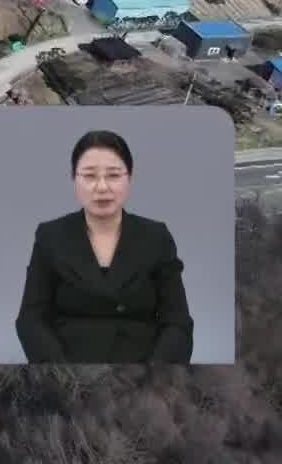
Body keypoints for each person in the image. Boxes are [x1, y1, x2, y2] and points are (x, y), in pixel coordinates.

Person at [15, 130, 193, 363]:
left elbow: (178, 322)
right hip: (70, 372)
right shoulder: (51, 236)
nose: (101, 187)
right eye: (89, 176)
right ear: (73, 179)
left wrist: (154, 375)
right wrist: (61, 374)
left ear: (129, 178)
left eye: (113, 175)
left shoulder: (156, 237)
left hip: (142, 371)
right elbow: (31, 319)